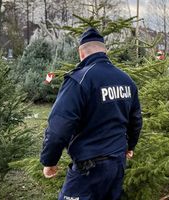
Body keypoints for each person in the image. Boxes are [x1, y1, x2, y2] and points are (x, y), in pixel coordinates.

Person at [40, 27, 142, 200]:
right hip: (117, 163)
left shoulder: (79, 80)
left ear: (81, 54)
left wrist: (49, 161)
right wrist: (130, 146)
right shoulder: (126, 80)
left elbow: (59, 127)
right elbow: (136, 119)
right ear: (105, 51)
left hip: (89, 168)